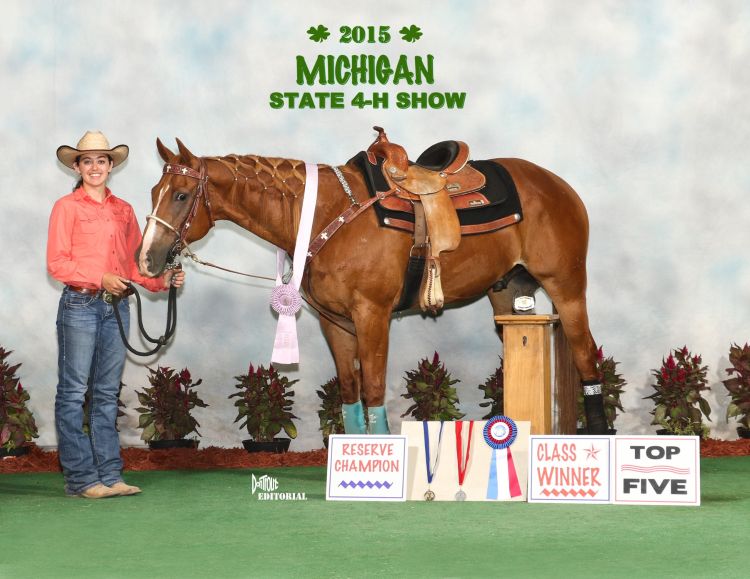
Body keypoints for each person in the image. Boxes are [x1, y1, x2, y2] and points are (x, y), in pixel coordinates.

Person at [47, 131, 185, 499]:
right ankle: (81, 478)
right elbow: (57, 263)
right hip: (80, 304)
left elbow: (134, 265)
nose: (95, 167)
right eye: (88, 161)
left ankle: (110, 474)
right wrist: (100, 278)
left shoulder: (123, 210)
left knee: (107, 393)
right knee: (74, 392)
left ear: (111, 166)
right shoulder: (66, 207)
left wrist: (162, 281)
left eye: (102, 161)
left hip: (116, 306)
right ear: (77, 166)